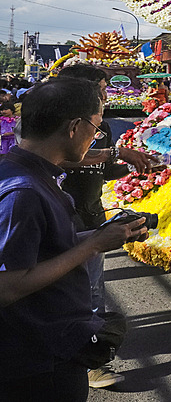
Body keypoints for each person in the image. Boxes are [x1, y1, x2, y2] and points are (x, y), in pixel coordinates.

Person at [0, 79, 147, 401]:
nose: (95, 137)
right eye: (96, 128)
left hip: (45, 347)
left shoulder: (25, 174)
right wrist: (92, 246)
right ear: (75, 127)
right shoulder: (23, 192)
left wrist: (100, 236)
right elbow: (8, 287)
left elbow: (40, 248)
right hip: (38, 359)